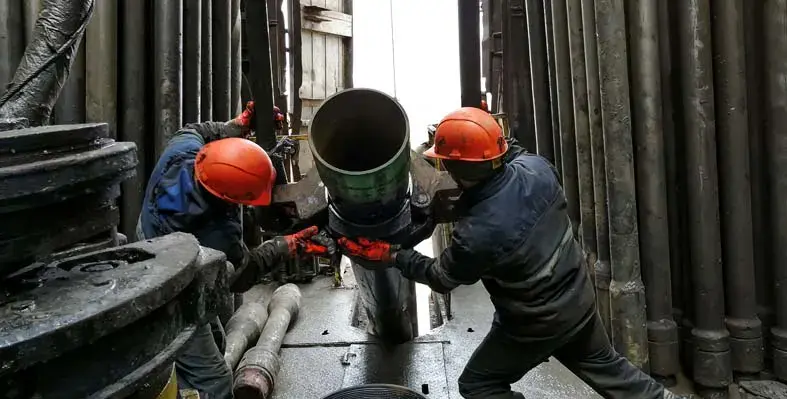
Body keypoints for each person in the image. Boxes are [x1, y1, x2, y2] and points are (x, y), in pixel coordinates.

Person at [336, 107, 689, 399]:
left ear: (455, 169)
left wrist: (391, 255)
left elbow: (441, 277)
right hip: (577, 301)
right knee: (610, 370)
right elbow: (511, 153)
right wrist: (481, 129)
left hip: (535, 323)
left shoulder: (477, 233)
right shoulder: (539, 170)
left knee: (478, 385)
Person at [137, 102, 335, 399]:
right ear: (230, 198)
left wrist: (239, 124)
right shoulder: (219, 231)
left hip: (146, 241)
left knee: (216, 341)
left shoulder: (182, 152)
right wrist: (286, 244)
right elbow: (243, 274)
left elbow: (197, 129)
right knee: (215, 380)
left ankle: (186, 384)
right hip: (172, 289)